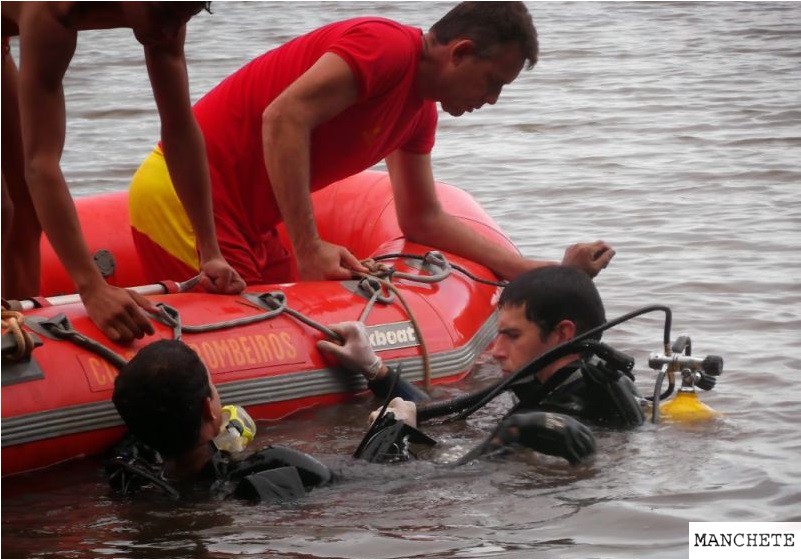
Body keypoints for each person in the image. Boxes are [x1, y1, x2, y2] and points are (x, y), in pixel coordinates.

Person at [128, 2, 615, 287]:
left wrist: (535, 268)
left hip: (250, 222)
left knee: (298, 326)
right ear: (461, 51)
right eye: (492, 82)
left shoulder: (419, 112)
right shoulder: (386, 47)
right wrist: (310, 246)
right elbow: (283, 117)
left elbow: (422, 218)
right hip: (183, 197)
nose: (491, 99)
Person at [1, 2, 245, 345]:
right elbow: (40, 163)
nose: (171, 30)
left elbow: (178, 127)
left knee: (26, 211)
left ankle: (16, 331)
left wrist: (210, 251)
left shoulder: (166, 10)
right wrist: (92, 288)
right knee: (5, 210)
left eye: (187, 15)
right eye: (166, 14)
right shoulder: (53, 10)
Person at [318, 265, 645, 463]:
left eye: (512, 335)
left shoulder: (561, 410)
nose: (496, 352)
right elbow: (456, 412)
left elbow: (429, 484)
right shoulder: (576, 384)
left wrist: (389, 435)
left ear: (563, 334)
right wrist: (375, 369)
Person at [110, 340, 332, 501]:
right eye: (213, 387)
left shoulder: (128, 478)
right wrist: (368, 372)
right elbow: (360, 477)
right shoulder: (275, 462)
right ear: (208, 408)